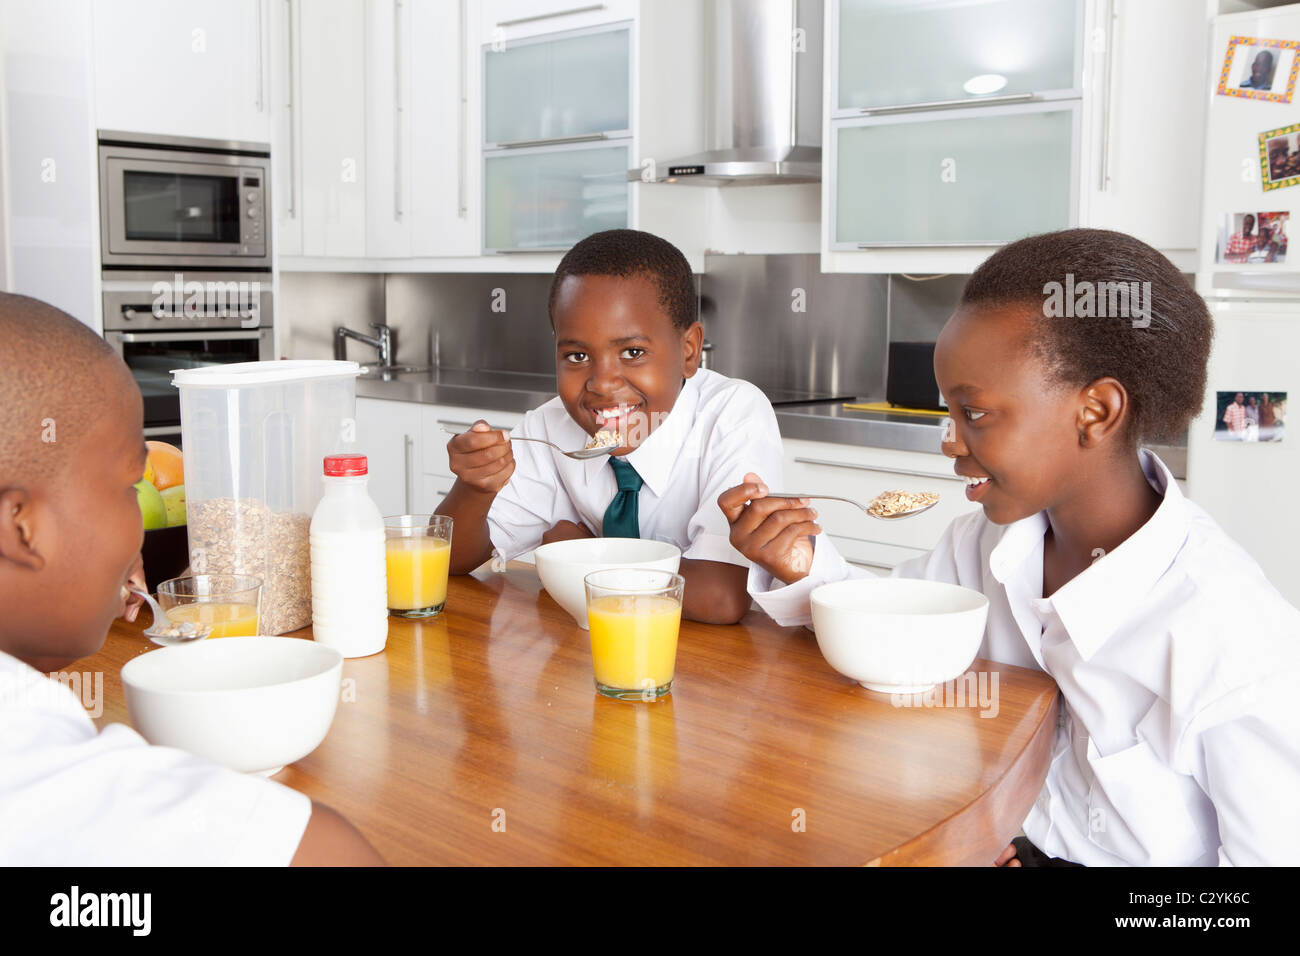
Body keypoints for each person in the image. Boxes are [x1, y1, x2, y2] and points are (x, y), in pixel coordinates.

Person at [719, 229, 1300, 866]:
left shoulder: (1231, 639)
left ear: (1096, 412)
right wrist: (798, 564)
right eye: (949, 412)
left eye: (976, 413)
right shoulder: (993, 540)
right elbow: (891, 624)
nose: (950, 441)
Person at [0, 293, 383, 866]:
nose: (138, 528)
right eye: (132, 485)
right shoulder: (45, 777)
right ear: (22, 529)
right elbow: (328, 854)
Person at [436, 229, 783, 625]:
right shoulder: (549, 427)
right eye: (577, 355)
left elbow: (719, 598)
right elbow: (451, 559)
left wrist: (582, 553)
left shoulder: (731, 415)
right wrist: (476, 487)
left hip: (713, 667)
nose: (602, 383)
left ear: (689, 351)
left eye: (633, 353)